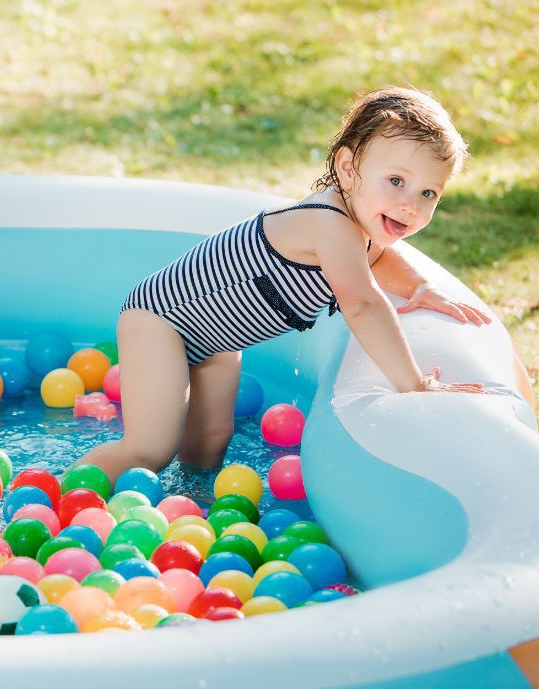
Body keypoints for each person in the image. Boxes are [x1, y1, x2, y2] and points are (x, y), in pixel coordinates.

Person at [78, 86, 501, 484]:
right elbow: (363, 305)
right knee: (150, 448)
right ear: (348, 168)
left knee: (208, 443)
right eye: (396, 181)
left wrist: (420, 288)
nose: (411, 204)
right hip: (162, 319)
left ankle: (188, 507)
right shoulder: (328, 223)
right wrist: (415, 383)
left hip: (215, 338)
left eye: (429, 193)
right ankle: (62, 491)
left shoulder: (356, 230)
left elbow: (381, 258)